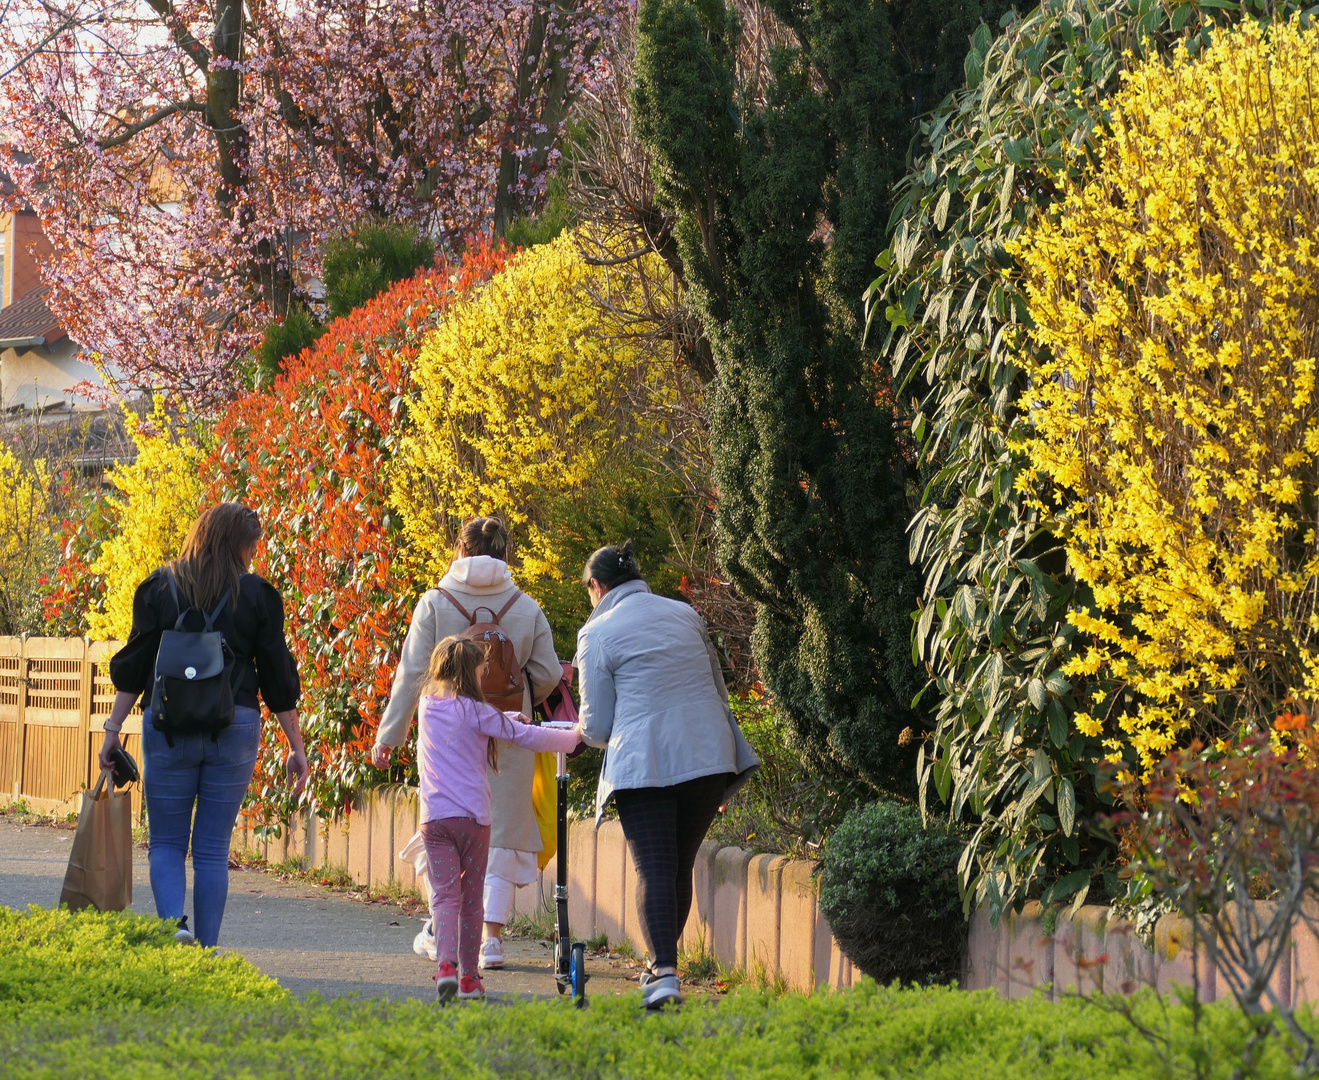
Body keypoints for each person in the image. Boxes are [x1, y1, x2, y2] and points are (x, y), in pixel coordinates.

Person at [97, 503, 308, 948]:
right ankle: (207, 953)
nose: (254, 555)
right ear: (240, 545)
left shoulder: (160, 587)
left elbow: (134, 667)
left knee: (167, 844)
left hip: (168, 727)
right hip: (234, 726)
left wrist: (113, 728)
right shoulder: (256, 595)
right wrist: (296, 746)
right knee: (212, 849)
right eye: (252, 546)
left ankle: (177, 927)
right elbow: (277, 678)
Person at [576, 540, 759, 1009]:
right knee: (677, 865)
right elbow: (718, 689)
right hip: (709, 757)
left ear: (596, 587)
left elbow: (595, 728)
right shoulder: (684, 614)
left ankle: (664, 974)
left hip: (646, 763)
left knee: (654, 869)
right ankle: (661, 968)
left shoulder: (597, 633)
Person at [375, 516, 561, 970]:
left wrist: (390, 736)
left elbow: (411, 675)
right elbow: (551, 673)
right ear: (505, 555)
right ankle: (492, 941)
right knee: (498, 833)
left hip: (446, 739)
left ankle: (442, 926)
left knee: (444, 824)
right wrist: (518, 701)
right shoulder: (525, 606)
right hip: (507, 732)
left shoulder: (436, 603)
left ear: (459, 549)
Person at [371, 635, 580, 1002]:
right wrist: (574, 738)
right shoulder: (479, 713)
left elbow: (473, 722)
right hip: (474, 822)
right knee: (471, 902)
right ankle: (470, 979)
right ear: (475, 673)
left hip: (434, 821)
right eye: (483, 670)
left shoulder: (427, 706)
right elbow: (524, 736)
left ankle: (446, 967)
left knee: (445, 897)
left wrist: (503, 718)